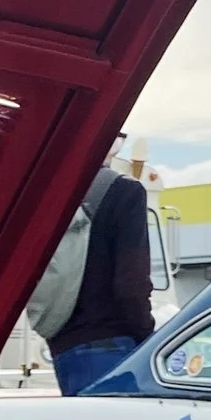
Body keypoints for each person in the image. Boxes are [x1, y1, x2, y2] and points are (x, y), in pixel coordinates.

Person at [45, 154, 154, 394]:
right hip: (113, 344)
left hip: (63, 344)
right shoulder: (125, 191)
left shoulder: (48, 192)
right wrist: (149, 336)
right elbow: (131, 285)